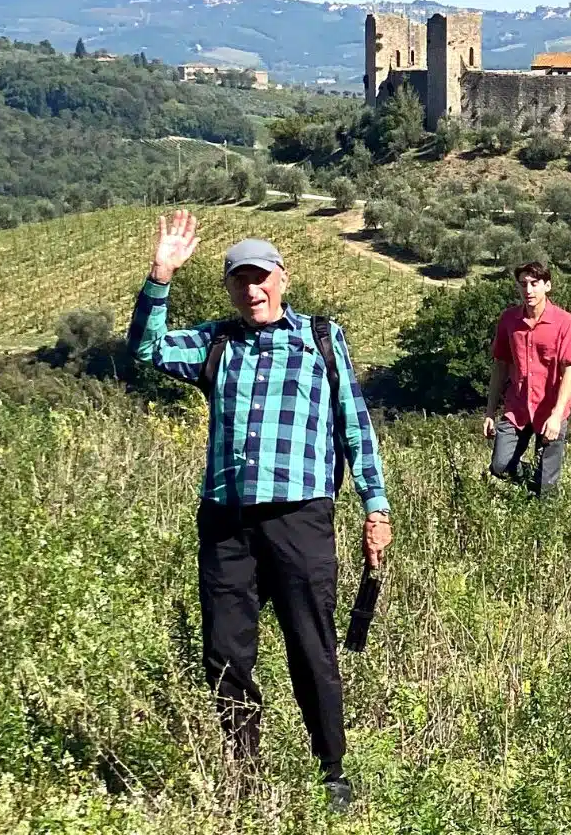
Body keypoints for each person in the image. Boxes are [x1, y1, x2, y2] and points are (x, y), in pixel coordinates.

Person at [129, 211, 390, 813]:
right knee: (225, 651)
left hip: (300, 517)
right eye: (240, 281)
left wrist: (375, 505)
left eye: (261, 277)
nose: (252, 290)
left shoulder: (322, 338)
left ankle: (332, 770)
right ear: (228, 288)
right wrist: (161, 274)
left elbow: (355, 425)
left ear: (283, 278)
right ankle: (244, 774)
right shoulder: (215, 343)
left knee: (310, 644)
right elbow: (145, 347)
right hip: (225, 520)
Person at [483, 262, 571, 497]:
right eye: (523, 284)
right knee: (500, 466)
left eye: (534, 284)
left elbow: (570, 368)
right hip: (517, 407)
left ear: (547, 286)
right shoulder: (509, 320)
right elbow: (501, 366)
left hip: (551, 410)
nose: (528, 290)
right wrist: (489, 412)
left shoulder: (565, 322)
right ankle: (532, 479)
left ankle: (542, 508)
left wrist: (557, 416)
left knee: (546, 490)